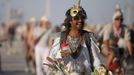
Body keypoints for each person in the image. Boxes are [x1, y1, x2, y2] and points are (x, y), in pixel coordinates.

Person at [45, 0, 107, 75]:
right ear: (70, 21)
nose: (80, 20)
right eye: (77, 18)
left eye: (82, 18)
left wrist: (100, 70)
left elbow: (95, 59)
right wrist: (60, 54)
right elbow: (50, 60)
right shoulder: (61, 38)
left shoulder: (88, 38)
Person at [102, 4, 133, 75]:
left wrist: (131, 55)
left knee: (122, 58)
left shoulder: (125, 29)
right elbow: (106, 41)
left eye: (121, 19)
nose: (119, 21)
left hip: (118, 48)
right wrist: (109, 52)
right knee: (112, 54)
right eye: (117, 19)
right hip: (106, 47)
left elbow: (128, 42)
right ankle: (104, 71)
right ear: (114, 20)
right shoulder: (108, 27)